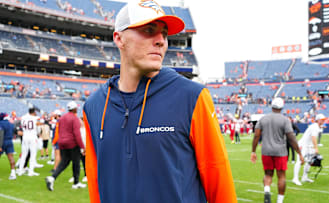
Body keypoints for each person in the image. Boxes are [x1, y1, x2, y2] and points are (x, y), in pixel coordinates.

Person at [83, 1, 237, 202]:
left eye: (164, 34)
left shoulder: (192, 97)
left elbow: (220, 185)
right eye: (149, 30)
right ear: (119, 39)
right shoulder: (93, 106)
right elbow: (97, 188)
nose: (161, 41)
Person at [251, 97, 304, 203]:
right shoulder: (285, 120)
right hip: (281, 152)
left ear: (272, 106)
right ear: (282, 107)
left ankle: (267, 190)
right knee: (281, 176)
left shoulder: (263, 119)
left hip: (266, 151)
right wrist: (299, 153)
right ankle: (279, 201)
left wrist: (253, 151)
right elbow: (291, 138)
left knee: (268, 174)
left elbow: (256, 136)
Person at [45, 101, 86, 191]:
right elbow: (77, 134)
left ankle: (52, 178)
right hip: (72, 143)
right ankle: (76, 183)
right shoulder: (74, 118)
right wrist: (82, 146)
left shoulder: (62, 118)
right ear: (74, 108)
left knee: (64, 162)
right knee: (76, 163)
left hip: (62, 142)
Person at [292, 114, 326, 186]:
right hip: (303, 145)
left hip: (309, 146)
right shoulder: (314, 127)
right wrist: (316, 148)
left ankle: (304, 177)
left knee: (309, 161)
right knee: (299, 161)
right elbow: (313, 138)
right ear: (318, 120)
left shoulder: (318, 127)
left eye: (324, 119)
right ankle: (295, 178)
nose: (323, 121)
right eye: (322, 119)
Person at [18, 107, 42, 176]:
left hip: (25, 136)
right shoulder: (35, 118)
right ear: (34, 112)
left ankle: (20, 170)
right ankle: (31, 172)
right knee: (32, 154)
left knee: (24, 154)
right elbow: (39, 125)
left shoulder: (23, 117)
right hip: (32, 136)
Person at [0, 112, 16, 180]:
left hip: (2, 141)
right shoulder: (11, 123)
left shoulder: (1, 123)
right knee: (11, 158)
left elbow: (1, 134)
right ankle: (13, 173)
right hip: (9, 141)